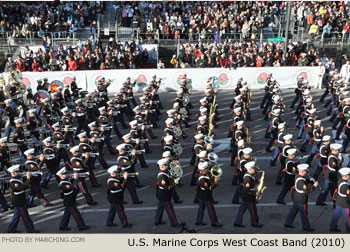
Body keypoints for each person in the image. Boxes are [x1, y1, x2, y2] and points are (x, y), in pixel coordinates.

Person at [284, 164, 318, 231]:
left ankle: (288, 222)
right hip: (301, 199)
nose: (307, 172)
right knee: (304, 214)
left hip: (296, 197)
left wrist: (309, 180)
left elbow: (303, 180)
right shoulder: (301, 181)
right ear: (303, 171)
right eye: (306, 171)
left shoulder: (297, 175)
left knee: (293, 210)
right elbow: (307, 190)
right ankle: (306, 227)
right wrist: (314, 186)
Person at [7, 165, 38, 233]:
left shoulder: (18, 178)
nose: (19, 173)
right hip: (19, 202)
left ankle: (11, 230)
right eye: (17, 172)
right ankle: (31, 230)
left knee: (16, 216)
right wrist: (28, 178)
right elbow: (23, 187)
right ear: (13, 173)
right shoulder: (13, 182)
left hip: (20, 200)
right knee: (26, 217)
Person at [234, 161, 263, 228]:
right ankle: (255, 223)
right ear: (250, 169)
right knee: (253, 210)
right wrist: (255, 193)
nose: (255, 169)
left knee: (242, 208)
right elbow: (246, 190)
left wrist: (257, 181)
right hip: (249, 197)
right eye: (253, 168)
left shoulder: (249, 175)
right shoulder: (247, 178)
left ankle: (237, 222)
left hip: (245, 197)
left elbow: (252, 180)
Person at [195, 161, 222, 227]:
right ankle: (214, 222)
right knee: (211, 209)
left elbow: (209, 179)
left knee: (201, 208)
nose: (208, 169)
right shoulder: (203, 180)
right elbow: (209, 188)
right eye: (207, 168)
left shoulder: (203, 174)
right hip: (206, 195)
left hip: (202, 194)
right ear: (204, 170)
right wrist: (215, 183)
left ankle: (199, 220)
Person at [154, 158, 180, 227]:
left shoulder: (165, 172)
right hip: (164, 194)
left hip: (161, 194)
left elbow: (171, 174)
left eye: (164, 165)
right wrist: (174, 184)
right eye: (162, 166)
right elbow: (166, 187)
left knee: (160, 207)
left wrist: (176, 169)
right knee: (170, 209)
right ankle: (174, 222)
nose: (163, 166)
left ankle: (157, 221)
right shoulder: (162, 176)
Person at [329, 167, 350, 232]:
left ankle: (332, 227)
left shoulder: (340, 180)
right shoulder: (345, 186)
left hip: (338, 201)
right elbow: (348, 193)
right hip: (345, 204)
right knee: (348, 219)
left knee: (336, 215)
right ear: (346, 176)